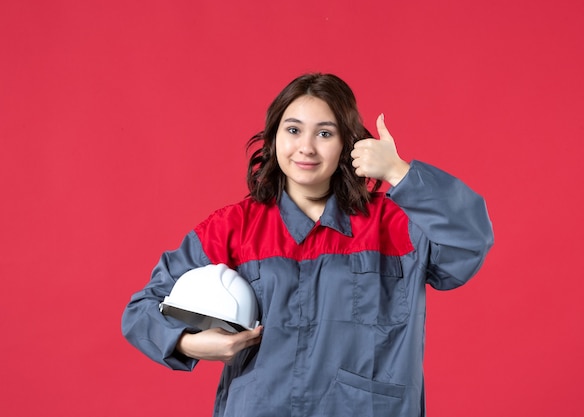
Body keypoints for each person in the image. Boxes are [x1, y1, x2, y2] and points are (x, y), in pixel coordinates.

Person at [122, 73, 494, 417]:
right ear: (273, 138)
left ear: (349, 143)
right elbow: (142, 310)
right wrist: (188, 344)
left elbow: (470, 242)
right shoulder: (234, 228)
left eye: (325, 133)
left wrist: (400, 173)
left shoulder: (395, 224)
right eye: (294, 130)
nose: (306, 148)